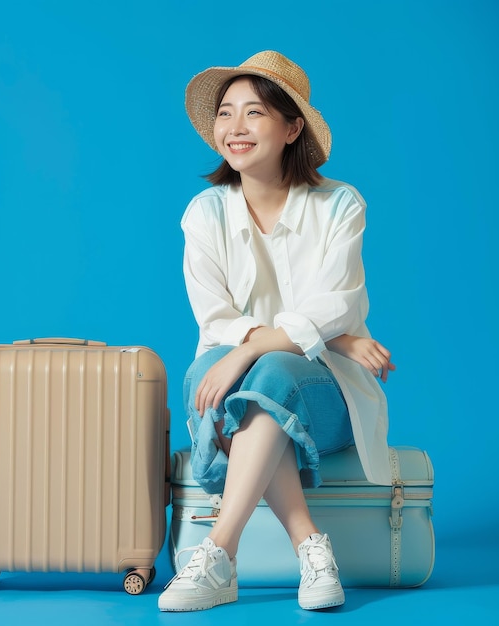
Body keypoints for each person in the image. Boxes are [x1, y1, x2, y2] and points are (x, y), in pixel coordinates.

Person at [158, 50, 395, 613]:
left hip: (323, 390)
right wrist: (326, 335)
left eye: (255, 113)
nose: (234, 128)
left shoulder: (340, 205)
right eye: (225, 113)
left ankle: (218, 553)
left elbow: (335, 303)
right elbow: (216, 319)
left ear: (293, 128)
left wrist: (269, 345)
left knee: (271, 371)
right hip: (232, 376)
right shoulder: (204, 213)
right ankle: (310, 545)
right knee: (255, 377)